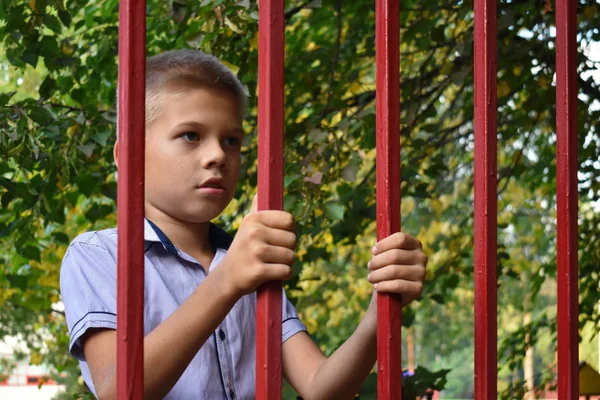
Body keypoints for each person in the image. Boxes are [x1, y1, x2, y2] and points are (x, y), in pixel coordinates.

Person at [60, 49, 428, 400]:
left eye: (232, 140)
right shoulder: (99, 255)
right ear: (128, 155)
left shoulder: (249, 264)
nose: (218, 154)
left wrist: (381, 306)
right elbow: (117, 389)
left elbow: (321, 388)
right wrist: (226, 281)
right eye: (191, 135)